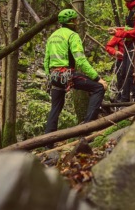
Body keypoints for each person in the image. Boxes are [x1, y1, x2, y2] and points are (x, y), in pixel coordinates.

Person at [44, 9, 108, 148]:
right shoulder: (72, 36)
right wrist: (97, 78)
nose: (77, 22)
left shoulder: (53, 36)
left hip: (54, 76)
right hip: (67, 75)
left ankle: (47, 144)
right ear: (72, 21)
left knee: (55, 108)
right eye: (76, 20)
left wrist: (50, 77)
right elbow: (81, 61)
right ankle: (87, 129)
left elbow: (46, 61)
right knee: (98, 88)